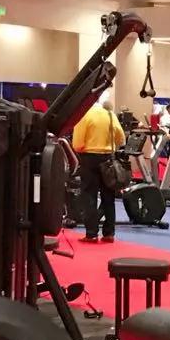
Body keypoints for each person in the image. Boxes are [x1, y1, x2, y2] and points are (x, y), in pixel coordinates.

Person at [71, 93, 124, 243]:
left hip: (89, 159)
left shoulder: (83, 115)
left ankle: (91, 233)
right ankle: (109, 233)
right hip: (108, 159)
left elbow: (77, 144)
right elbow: (120, 138)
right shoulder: (110, 114)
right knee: (109, 196)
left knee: (89, 196)